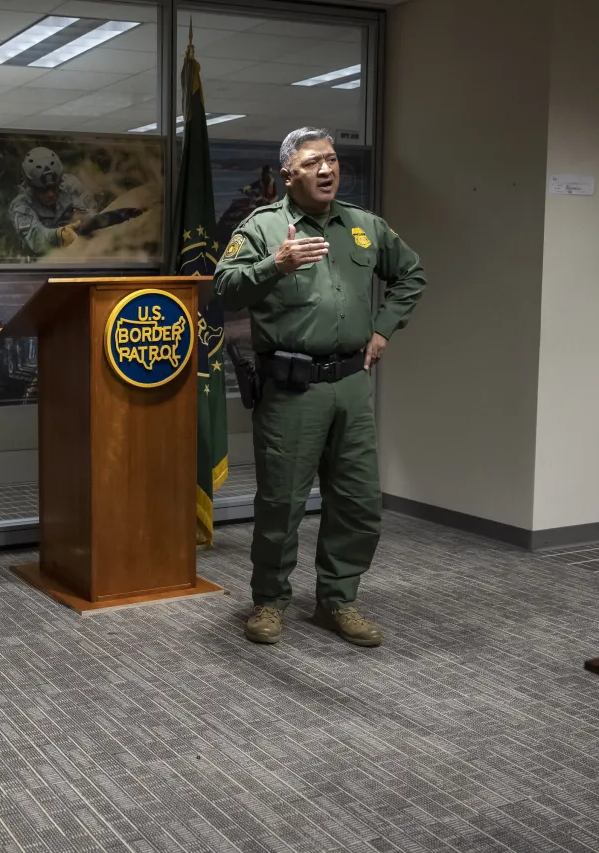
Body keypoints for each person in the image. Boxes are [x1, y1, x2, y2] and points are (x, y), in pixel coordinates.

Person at [213, 127, 426, 648]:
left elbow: (411, 274)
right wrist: (275, 264)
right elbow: (223, 287)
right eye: (313, 163)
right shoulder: (264, 227)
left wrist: (382, 329)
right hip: (291, 389)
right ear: (288, 174)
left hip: (351, 384)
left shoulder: (363, 226)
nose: (326, 169)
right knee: (281, 502)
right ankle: (269, 601)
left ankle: (339, 599)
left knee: (356, 499)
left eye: (331, 160)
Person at [8, 147, 96, 256]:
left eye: (54, 187)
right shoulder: (21, 206)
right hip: (42, 264)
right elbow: (36, 239)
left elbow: (91, 213)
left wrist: (84, 218)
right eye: (42, 190)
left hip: (83, 251)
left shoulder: (70, 185)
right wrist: (59, 234)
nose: (50, 194)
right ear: (31, 186)